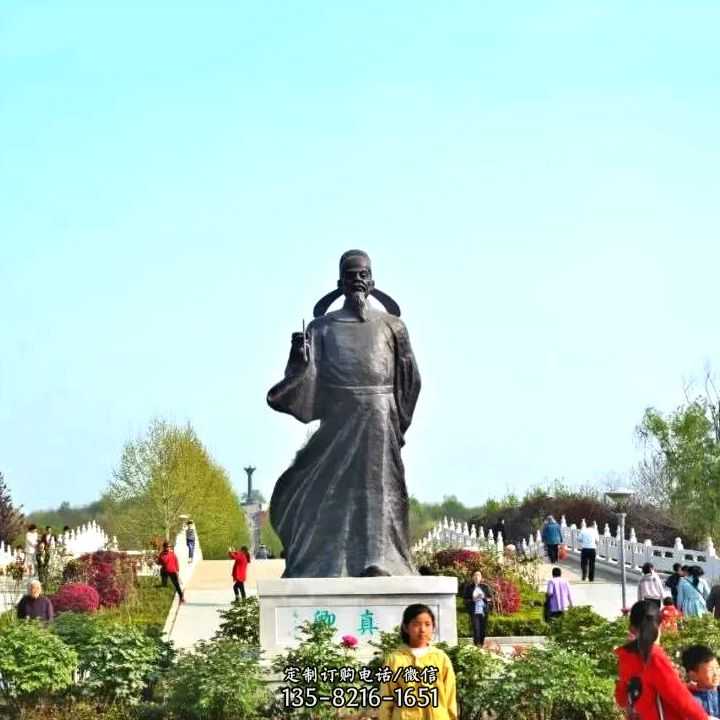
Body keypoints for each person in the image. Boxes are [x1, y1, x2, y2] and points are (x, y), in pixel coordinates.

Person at [267, 250, 421, 578]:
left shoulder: (393, 327)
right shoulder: (321, 328)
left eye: (363, 274)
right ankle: (323, 562)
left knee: (378, 487)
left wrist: (397, 423)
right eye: (351, 275)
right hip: (338, 418)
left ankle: (377, 559)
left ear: (373, 280)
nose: (357, 280)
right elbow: (307, 381)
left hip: (380, 416)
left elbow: (410, 380)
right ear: (339, 282)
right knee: (312, 484)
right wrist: (298, 360)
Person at [615, 600, 713, 720]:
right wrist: (703, 718)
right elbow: (679, 697)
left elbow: (622, 699)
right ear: (660, 626)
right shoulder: (654, 656)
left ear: (631, 628)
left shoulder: (625, 656)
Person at [379, 603, 457, 720]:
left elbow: (450, 696)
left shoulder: (441, 658)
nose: (422, 629)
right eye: (416, 624)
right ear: (406, 627)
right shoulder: (394, 660)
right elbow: (386, 698)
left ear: (433, 628)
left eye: (428, 624)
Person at [682, 645, 720, 717]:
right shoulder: (689, 698)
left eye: (717, 667)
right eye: (711, 670)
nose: (716, 673)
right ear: (693, 676)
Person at [463, 570, 493, 647]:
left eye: (478, 575)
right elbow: (465, 600)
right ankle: (477, 646)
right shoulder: (469, 588)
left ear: (481, 577)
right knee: (476, 630)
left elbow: (490, 599)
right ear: (472, 577)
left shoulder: (485, 587)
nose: (477, 577)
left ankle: (481, 646)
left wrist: (484, 598)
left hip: (483, 612)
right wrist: (472, 600)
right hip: (474, 612)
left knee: (482, 630)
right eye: (475, 575)